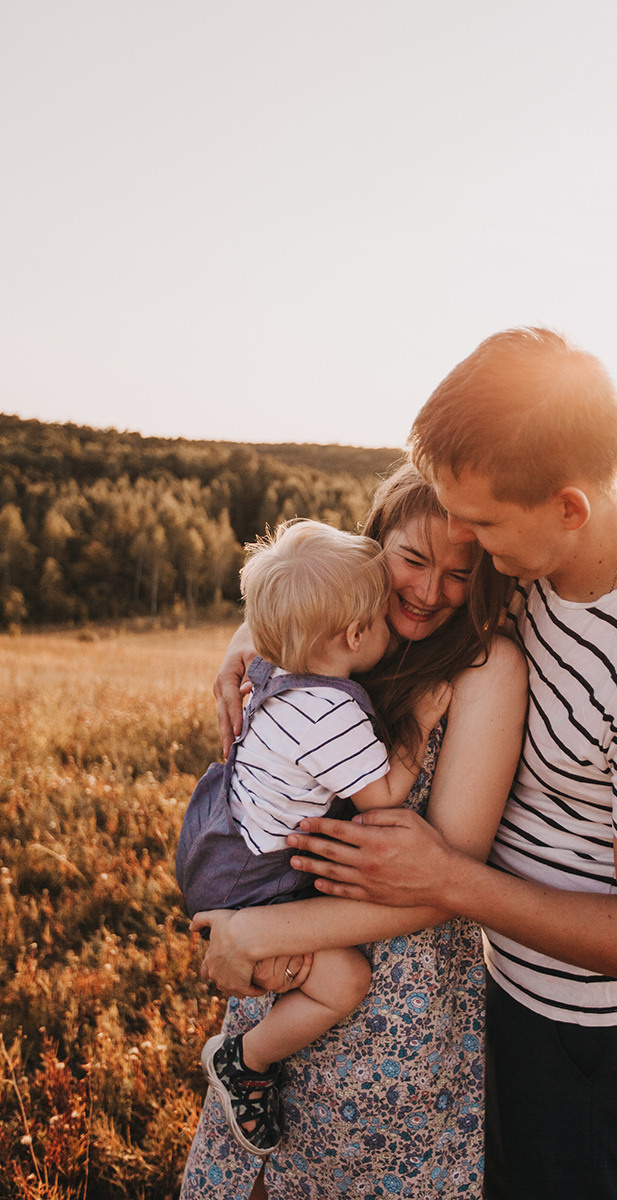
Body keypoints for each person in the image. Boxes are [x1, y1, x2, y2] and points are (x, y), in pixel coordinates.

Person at [282, 328, 617, 1200]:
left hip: (594, 1041)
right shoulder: (538, 558)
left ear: (569, 507)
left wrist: (447, 879)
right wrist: (259, 643)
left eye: (479, 525)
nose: (463, 542)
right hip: (499, 984)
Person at [181, 463, 528, 1199]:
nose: (429, 591)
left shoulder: (482, 668)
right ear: (374, 546)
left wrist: (256, 933)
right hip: (288, 968)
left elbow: (447, 883)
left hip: (391, 1017)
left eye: (460, 574)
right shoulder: (340, 630)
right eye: (412, 560)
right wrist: (245, 636)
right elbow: (288, 592)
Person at [176, 520, 452, 1158]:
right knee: (344, 981)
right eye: (380, 620)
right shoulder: (333, 713)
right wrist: (420, 721)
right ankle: (244, 1059)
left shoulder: (277, 662)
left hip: (219, 841)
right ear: (354, 635)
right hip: (254, 881)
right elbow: (382, 794)